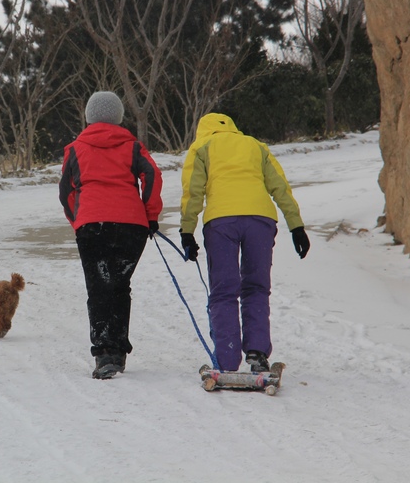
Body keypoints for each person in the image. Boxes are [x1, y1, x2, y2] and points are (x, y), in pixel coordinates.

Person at [179, 113, 309, 373]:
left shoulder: (201, 147)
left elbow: (193, 192)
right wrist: (296, 225)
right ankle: (257, 352)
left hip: (221, 223)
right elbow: (280, 187)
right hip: (260, 221)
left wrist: (187, 232)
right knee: (256, 287)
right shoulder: (255, 145)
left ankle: (226, 360)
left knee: (224, 290)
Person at [59, 91, 163, 380]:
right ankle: (118, 351)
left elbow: (65, 191)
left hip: (92, 225)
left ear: (89, 116)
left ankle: (104, 353)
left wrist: (78, 220)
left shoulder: (76, 148)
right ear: (118, 117)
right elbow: (152, 177)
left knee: (98, 287)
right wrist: (150, 215)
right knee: (119, 284)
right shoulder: (133, 146)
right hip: (132, 225)